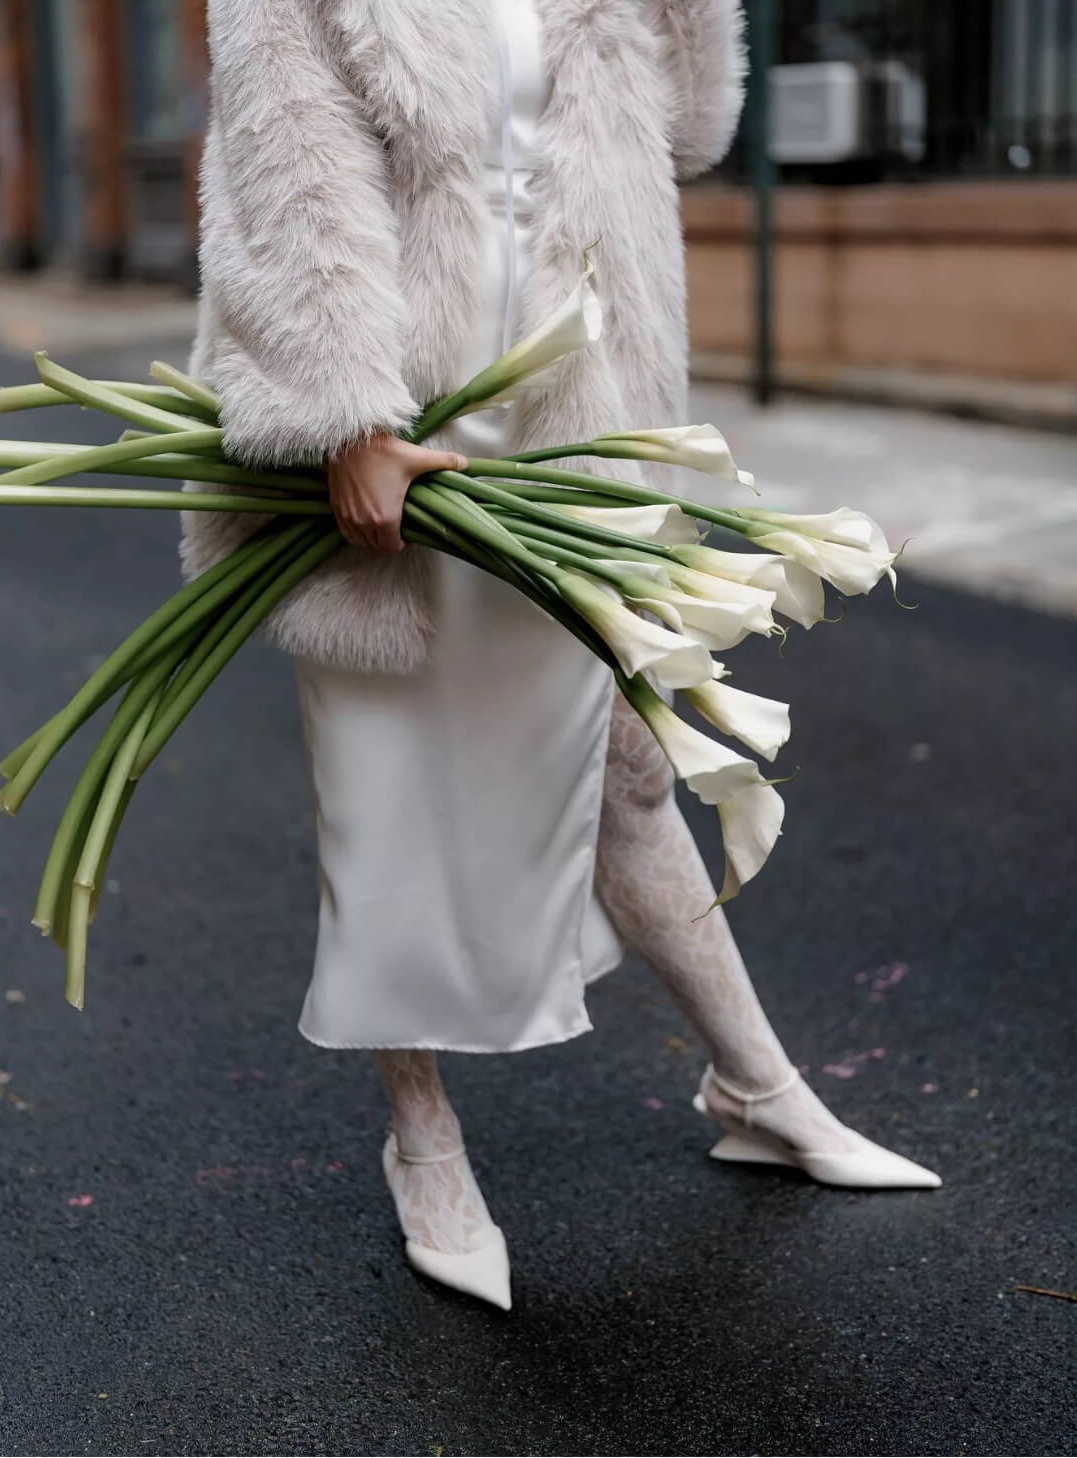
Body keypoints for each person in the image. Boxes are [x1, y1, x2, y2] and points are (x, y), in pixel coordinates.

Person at [182, 0, 939, 1311]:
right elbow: (280, 165)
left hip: (574, 413)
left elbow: (694, 131)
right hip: (403, 418)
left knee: (627, 771)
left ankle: (754, 1086)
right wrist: (342, 415)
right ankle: (420, 1135)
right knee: (387, 785)